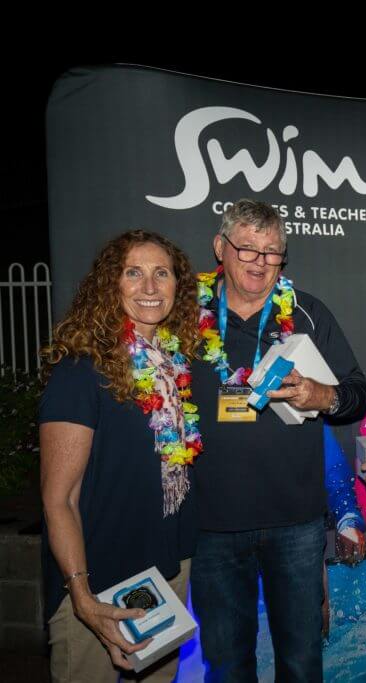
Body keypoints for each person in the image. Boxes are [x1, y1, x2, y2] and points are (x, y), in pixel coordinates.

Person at [189, 199, 366, 682]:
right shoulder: (183, 318)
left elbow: (358, 395)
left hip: (296, 524)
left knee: (301, 663)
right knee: (227, 666)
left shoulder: (307, 313)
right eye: (246, 247)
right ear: (219, 248)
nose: (258, 261)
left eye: (271, 252)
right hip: (212, 525)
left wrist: (323, 394)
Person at [39, 230, 201, 682]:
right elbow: (59, 499)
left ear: (177, 286)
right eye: (134, 273)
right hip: (97, 583)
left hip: (163, 576)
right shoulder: (81, 370)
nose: (149, 287)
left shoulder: (174, 366)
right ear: (111, 284)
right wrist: (83, 596)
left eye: (161, 274)